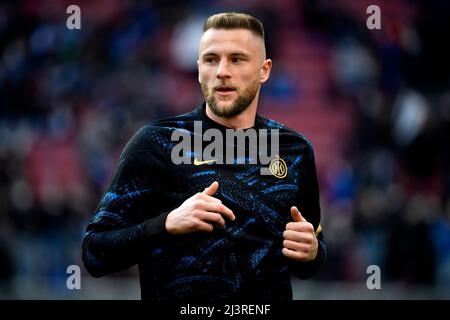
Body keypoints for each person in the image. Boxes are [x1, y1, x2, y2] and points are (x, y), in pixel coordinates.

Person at [82, 12, 326, 300]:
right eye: (211, 59)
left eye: (237, 59)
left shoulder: (294, 151)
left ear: (264, 70)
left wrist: (312, 253)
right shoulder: (156, 143)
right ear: (199, 69)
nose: (222, 70)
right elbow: (95, 253)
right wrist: (166, 224)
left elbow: (310, 256)